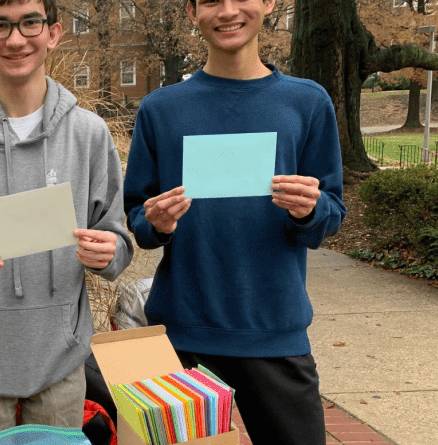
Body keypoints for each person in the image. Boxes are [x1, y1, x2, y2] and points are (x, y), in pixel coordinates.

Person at [122, 0, 347, 443]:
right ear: (190, 11)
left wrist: (309, 209)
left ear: (268, 3)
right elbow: (139, 220)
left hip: (275, 330)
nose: (227, 11)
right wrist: (157, 223)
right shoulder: (161, 109)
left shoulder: (306, 102)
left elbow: (331, 214)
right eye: (209, 0)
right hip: (184, 334)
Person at [0, 0, 132, 440]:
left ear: (53, 33)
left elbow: (118, 238)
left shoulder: (89, 135)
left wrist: (108, 251)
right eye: (0, 26)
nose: (16, 39)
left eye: (30, 23)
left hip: (60, 356)